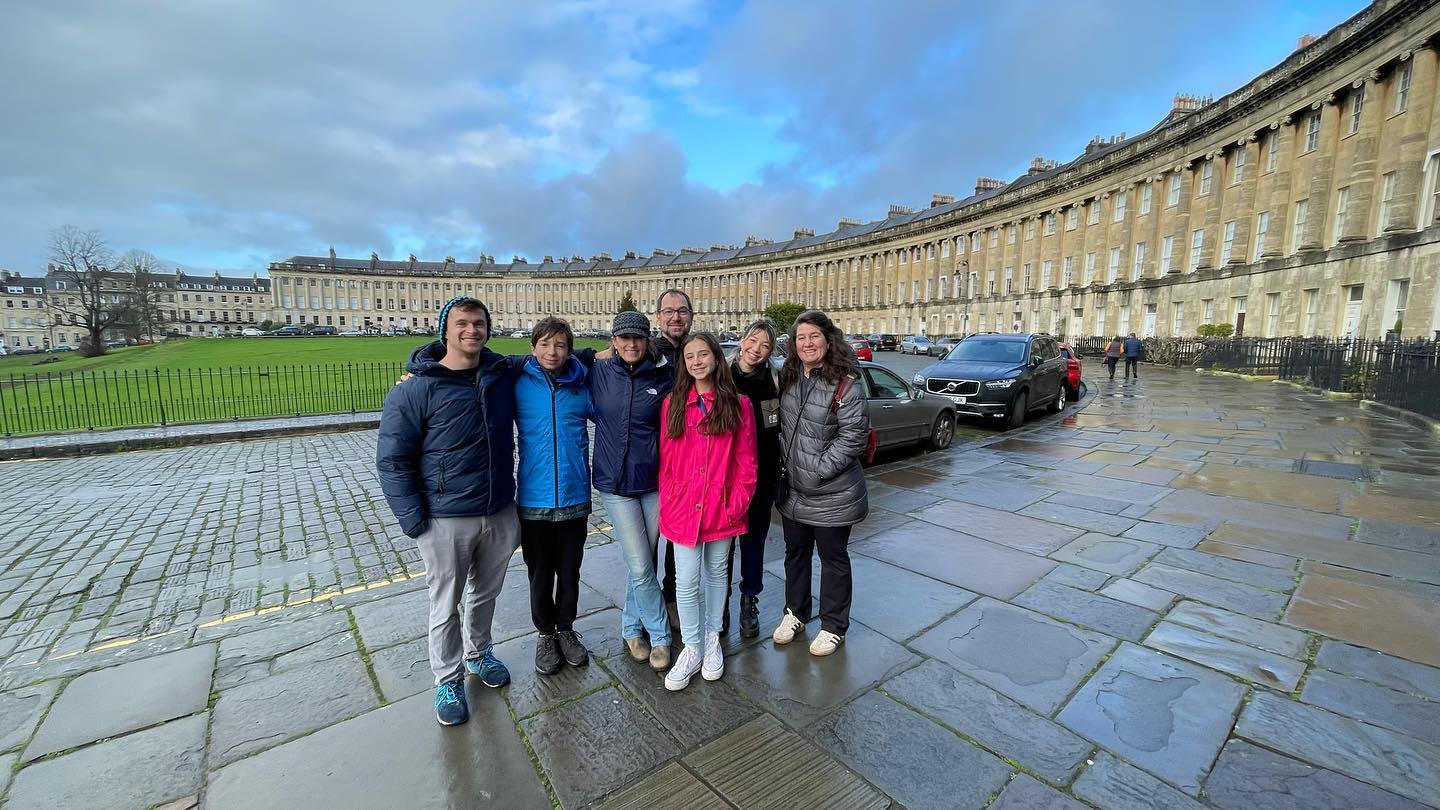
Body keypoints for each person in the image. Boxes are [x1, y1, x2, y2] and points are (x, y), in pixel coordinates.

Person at [376, 296, 518, 726]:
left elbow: (551, 354)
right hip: (444, 517)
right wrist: (415, 522)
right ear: (446, 330)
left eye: (478, 323)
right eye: (462, 323)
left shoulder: (500, 374)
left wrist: (603, 351)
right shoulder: (414, 389)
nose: (471, 330)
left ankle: (479, 652)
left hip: (498, 510)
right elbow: (392, 460)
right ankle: (447, 678)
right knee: (445, 602)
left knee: (485, 594)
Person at [659, 333, 757, 690]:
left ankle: (713, 638)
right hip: (683, 506)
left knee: (717, 573)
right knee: (685, 581)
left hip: (722, 505)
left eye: (704, 354)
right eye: (690, 356)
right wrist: (670, 498)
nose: (697, 361)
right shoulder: (672, 403)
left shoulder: (738, 404)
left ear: (717, 359)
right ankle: (692, 645)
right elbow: (667, 461)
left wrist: (737, 503)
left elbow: (747, 461)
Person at [771, 309, 870, 657]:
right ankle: (795, 612)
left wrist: (816, 468)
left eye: (814, 336)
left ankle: (833, 626)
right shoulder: (789, 376)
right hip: (794, 491)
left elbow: (853, 437)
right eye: (801, 338)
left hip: (832, 493)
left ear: (829, 340)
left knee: (833, 558)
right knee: (795, 554)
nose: (807, 343)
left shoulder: (846, 383)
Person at [582, 310, 676, 671]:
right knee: (639, 563)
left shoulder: (664, 376)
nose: (631, 344)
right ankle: (661, 636)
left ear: (647, 339)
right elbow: (554, 356)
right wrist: (592, 354)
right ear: (614, 341)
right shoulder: (599, 371)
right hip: (614, 483)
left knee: (644, 562)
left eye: (637, 337)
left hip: (653, 481)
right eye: (624, 338)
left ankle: (630, 627)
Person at [512, 316, 593, 676]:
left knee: (571, 571)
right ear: (533, 348)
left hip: (575, 493)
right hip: (533, 497)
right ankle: (545, 633)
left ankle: (566, 629)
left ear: (569, 349)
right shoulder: (516, 382)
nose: (552, 351)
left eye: (560, 344)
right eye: (545, 344)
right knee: (540, 573)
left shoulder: (583, 382)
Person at [723, 319, 780, 639]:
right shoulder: (722, 375)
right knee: (723, 548)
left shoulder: (775, 379)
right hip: (725, 477)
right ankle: (721, 603)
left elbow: (778, 431)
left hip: (761, 477)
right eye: (753, 341)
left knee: (754, 543)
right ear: (742, 340)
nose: (756, 350)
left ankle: (749, 601)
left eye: (765, 345)